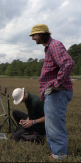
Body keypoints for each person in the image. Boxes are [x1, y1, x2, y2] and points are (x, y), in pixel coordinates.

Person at [30, 23, 75, 160]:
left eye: (34, 35)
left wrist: (57, 82)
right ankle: (55, 152)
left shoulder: (54, 45)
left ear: (42, 34)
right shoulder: (49, 47)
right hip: (53, 93)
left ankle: (59, 156)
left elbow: (68, 63)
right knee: (50, 125)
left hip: (58, 92)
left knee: (55, 125)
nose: (32, 38)